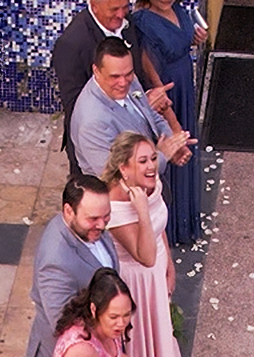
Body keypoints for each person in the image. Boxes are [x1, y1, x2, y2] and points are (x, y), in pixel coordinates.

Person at [104, 131, 200, 357]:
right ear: (123, 169)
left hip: (156, 277)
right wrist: (141, 210)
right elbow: (144, 254)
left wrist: (169, 263)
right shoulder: (114, 211)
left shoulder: (151, 183)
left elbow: (158, 233)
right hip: (135, 285)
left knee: (163, 342)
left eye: (152, 158)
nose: (150, 166)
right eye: (142, 161)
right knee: (143, 348)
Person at [51, 0, 171, 173]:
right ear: (94, 5)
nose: (122, 15)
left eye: (125, 7)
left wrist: (145, 99)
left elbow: (134, 76)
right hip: (100, 146)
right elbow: (75, 107)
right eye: (114, 9)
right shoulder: (72, 44)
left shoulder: (126, 23)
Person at [25, 176, 119, 357]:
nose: (102, 225)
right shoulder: (55, 261)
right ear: (68, 211)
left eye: (106, 216)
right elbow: (63, 323)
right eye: (93, 218)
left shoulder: (86, 227)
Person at [134, 0, 206, 245]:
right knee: (174, 149)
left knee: (188, 144)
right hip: (169, 92)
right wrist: (169, 116)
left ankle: (186, 219)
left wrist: (195, 39)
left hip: (185, 83)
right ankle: (171, 225)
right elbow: (150, 72)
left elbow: (180, 43)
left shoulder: (179, 10)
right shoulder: (143, 22)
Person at [70, 36, 189, 179]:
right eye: (115, 76)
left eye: (128, 74)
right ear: (96, 70)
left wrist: (173, 142)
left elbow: (149, 114)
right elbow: (115, 176)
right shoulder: (92, 122)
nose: (123, 83)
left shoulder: (128, 79)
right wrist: (161, 156)